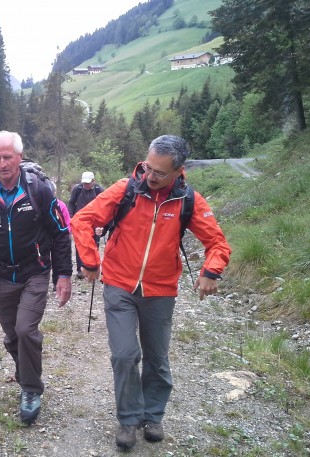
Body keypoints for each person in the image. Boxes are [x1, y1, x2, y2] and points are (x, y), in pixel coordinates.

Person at [71, 135, 231, 451]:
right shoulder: (125, 190)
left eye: (159, 172)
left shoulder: (189, 200)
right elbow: (82, 220)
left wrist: (211, 271)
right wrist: (90, 260)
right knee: (124, 354)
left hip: (160, 290)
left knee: (156, 357)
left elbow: (218, 243)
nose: (149, 176)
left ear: (178, 171)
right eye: (147, 167)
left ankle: (152, 413)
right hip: (118, 285)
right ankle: (129, 419)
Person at [0, 131, 72, 425]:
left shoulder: (39, 190)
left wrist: (63, 274)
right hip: (0, 274)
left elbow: (60, 233)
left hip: (34, 271)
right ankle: (26, 370)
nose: (2, 163)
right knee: (12, 336)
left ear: (19, 157)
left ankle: (30, 389)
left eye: (7, 157)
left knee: (26, 330)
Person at [67, 171, 104, 279]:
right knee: (80, 245)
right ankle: (80, 269)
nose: (85, 185)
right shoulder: (77, 189)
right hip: (80, 222)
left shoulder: (99, 190)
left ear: (93, 181)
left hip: (95, 222)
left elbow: (104, 207)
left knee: (94, 245)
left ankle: (93, 267)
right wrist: (71, 217)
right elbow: (71, 203)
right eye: (84, 183)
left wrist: (102, 223)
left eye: (88, 183)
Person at [50, 181, 71, 291]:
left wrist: (66, 234)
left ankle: (56, 281)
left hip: (58, 236)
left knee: (56, 259)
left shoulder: (60, 205)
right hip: (47, 237)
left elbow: (67, 221)